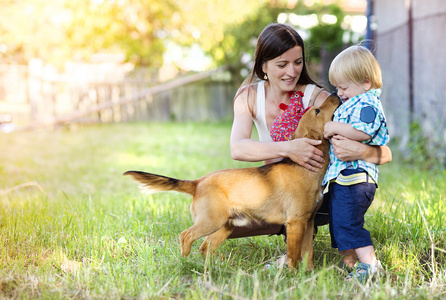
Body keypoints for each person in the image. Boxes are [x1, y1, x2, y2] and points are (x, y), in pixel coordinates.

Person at [228, 23, 392, 254]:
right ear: (263, 66)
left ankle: (300, 237)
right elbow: (238, 148)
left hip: (315, 196)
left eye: (298, 62)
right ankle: (288, 228)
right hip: (276, 192)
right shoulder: (249, 96)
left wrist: (362, 152)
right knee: (225, 221)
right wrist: (289, 149)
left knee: (302, 206)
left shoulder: (318, 99)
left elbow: (384, 152)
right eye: (282, 64)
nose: (292, 72)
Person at [323, 45, 389, 282]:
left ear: (366, 83)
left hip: (357, 178)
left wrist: (333, 127)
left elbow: (363, 132)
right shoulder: (355, 100)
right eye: (337, 87)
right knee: (339, 222)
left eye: (343, 87)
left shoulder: (367, 103)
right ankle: (351, 264)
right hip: (346, 178)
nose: (339, 93)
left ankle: (370, 266)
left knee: (349, 223)